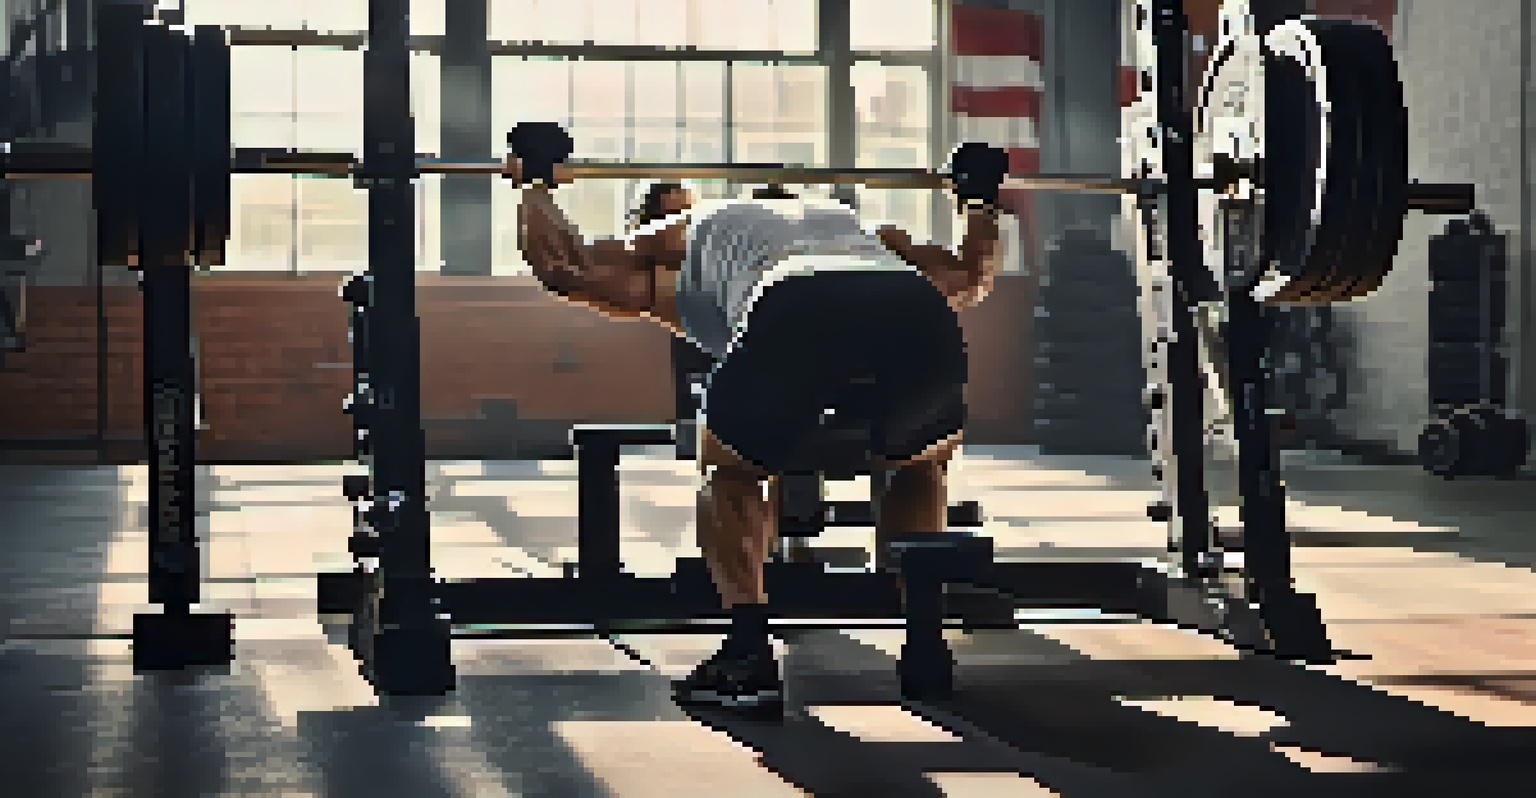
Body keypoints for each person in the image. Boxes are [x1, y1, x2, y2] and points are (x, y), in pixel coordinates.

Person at [510, 144, 1007, 719]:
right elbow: (971, 276)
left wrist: (534, 180)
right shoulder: (860, 227)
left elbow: (562, 264)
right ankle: (925, 641)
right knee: (921, 461)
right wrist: (979, 201)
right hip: (915, 311)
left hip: (794, 301)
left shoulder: (697, 224)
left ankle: (747, 652)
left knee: (730, 469)